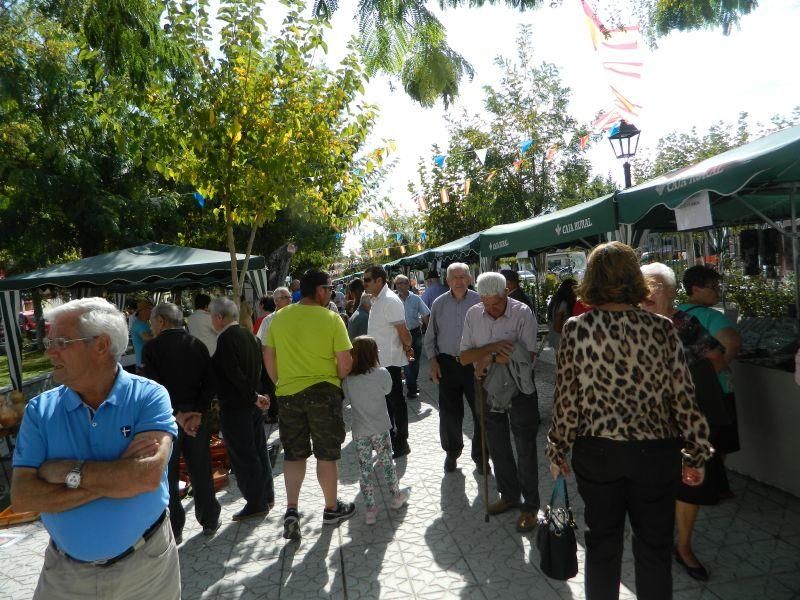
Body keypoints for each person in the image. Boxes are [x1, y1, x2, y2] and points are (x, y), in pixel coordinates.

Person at [546, 242, 713, 600]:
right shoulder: (662, 329)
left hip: (598, 453)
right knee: (653, 549)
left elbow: (566, 400)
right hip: (654, 454)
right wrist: (696, 452)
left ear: (592, 279)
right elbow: (683, 397)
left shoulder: (577, 329)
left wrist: (557, 450)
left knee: (602, 547)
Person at [11, 298, 180, 599]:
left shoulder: (149, 397)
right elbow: (23, 496)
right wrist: (118, 479)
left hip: (146, 569)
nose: (49, 351)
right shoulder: (40, 411)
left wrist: (66, 472)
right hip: (65, 575)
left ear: (101, 345)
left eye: (60, 341)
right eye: (49, 341)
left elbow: (147, 476)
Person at [641, 263, 727, 581]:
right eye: (645, 287)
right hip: (645, 426)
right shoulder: (628, 326)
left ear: (671, 294)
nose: (650, 293)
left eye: (658, 287)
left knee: (690, 486)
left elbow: (717, 358)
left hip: (687, 423)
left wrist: (687, 392)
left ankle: (684, 546)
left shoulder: (684, 324)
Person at [263, 269, 356, 540]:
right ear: (318, 291)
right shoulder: (331, 318)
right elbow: (345, 363)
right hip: (324, 393)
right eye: (329, 288)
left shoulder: (279, 318)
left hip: (288, 394)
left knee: (294, 453)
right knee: (326, 453)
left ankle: (292, 510)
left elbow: (268, 353)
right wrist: (334, 379)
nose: (331, 293)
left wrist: (280, 381)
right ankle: (330, 508)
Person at [460, 271, 540, 533]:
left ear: (507, 293)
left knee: (525, 445)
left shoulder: (523, 312)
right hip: (485, 384)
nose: (492, 309)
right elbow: (464, 357)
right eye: (487, 304)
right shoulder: (473, 314)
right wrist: (494, 350)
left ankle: (530, 506)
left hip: (519, 386)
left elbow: (526, 356)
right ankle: (508, 495)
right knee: (497, 443)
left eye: (497, 303)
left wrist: (488, 357)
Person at [142, 302, 221, 543]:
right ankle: (209, 519)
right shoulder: (196, 344)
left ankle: (175, 526)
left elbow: (153, 386)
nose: (151, 326)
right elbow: (210, 382)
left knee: (170, 473)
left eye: (153, 321)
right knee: (200, 469)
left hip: (167, 421)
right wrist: (197, 412)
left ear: (162, 321)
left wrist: (177, 414)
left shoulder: (151, 349)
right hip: (196, 418)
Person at [210, 297, 274, 522]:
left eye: (212, 316)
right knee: (257, 450)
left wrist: (255, 396)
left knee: (244, 456)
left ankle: (256, 502)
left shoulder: (227, 339)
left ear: (219, 317)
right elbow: (261, 368)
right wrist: (264, 394)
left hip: (238, 406)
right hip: (252, 404)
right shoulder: (249, 335)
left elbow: (234, 375)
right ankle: (266, 494)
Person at [679, 265, 742, 490]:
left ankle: (698, 481)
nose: (718, 292)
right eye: (713, 287)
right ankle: (715, 485)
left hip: (686, 389)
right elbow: (733, 343)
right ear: (695, 289)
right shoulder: (710, 316)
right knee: (718, 441)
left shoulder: (676, 315)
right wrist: (718, 366)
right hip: (717, 389)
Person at [423, 262, 485, 474]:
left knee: (481, 412)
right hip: (447, 364)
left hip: (474, 364)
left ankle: (481, 457)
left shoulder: (479, 301)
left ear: (469, 279)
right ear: (447, 281)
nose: (458, 281)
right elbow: (430, 336)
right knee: (449, 413)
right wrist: (433, 362)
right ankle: (452, 453)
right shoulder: (439, 304)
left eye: (462, 277)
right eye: (454, 277)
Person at [342, 336, 410, 525]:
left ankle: (370, 509)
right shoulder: (382, 373)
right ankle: (396, 497)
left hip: (360, 431)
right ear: (373, 354)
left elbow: (346, 400)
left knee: (364, 470)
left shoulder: (348, 380)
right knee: (387, 462)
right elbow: (388, 390)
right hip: (380, 428)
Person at [364, 265, 414, 458]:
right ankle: (392, 438)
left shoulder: (390, 301)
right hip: (379, 361)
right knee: (386, 402)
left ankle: (401, 441)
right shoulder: (377, 299)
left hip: (390, 361)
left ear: (379, 280)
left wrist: (408, 347)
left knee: (396, 401)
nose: (365, 283)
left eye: (367, 279)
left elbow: (404, 333)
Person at [256, 287, 292, 423]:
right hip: (276, 366)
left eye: (290, 297)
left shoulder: (297, 316)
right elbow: (263, 346)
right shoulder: (268, 320)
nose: (290, 300)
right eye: (286, 298)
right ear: (276, 301)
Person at [394, 274, 431, 399]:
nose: (400, 286)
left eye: (403, 283)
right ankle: (412, 388)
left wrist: (430, 332)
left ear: (408, 284)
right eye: (398, 283)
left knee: (415, 361)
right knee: (406, 361)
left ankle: (412, 383)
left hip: (415, 333)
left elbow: (425, 314)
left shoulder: (416, 299)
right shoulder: (393, 300)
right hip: (401, 335)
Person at [546, 278, 577, 351]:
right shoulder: (563, 304)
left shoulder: (556, 301)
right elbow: (557, 327)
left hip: (557, 339)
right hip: (561, 339)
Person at [130, 298, 154, 371]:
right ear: (143, 311)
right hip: (143, 363)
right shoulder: (138, 324)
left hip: (147, 361)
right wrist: (162, 335)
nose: (151, 312)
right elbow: (146, 338)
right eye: (150, 310)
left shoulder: (146, 323)